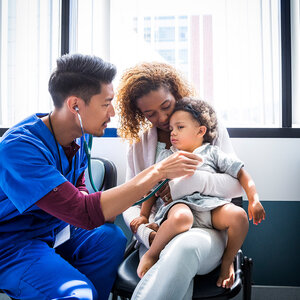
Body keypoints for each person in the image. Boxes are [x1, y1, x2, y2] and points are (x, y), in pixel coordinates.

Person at [0, 54, 202, 300]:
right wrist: (158, 171)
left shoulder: (79, 134)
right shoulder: (20, 149)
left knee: (110, 238)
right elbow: (83, 212)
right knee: (79, 294)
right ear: (76, 106)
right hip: (12, 244)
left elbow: (80, 189)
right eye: (106, 103)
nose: (114, 112)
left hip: (54, 229)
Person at [115, 62, 246, 300]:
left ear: (177, 93)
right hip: (161, 230)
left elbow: (236, 185)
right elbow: (131, 200)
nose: (163, 118)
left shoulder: (206, 130)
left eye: (166, 106)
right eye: (150, 114)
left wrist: (193, 182)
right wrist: (147, 233)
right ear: (139, 114)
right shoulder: (139, 145)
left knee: (184, 248)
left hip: (207, 229)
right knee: (175, 260)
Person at [133, 97, 265, 288]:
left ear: (200, 131)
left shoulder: (212, 153)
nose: (173, 133)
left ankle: (227, 262)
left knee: (239, 216)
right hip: (180, 206)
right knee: (181, 218)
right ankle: (151, 254)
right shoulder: (168, 156)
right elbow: (153, 188)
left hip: (211, 208)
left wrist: (254, 200)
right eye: (171, 129)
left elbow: (242, 174)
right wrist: (144, 215)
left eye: (180, 127)